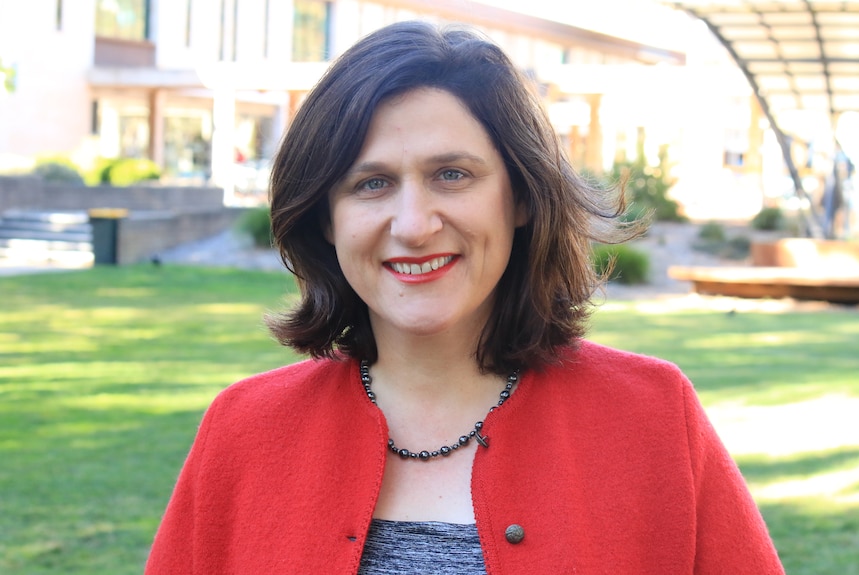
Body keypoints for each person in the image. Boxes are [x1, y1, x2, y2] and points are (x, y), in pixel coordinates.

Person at [145, 21, 784, 574]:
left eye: (452, 175)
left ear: (525, 197)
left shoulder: (653, 421)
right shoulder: (245, 432)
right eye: (371, 183)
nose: (414, 223)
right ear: (325, 218)